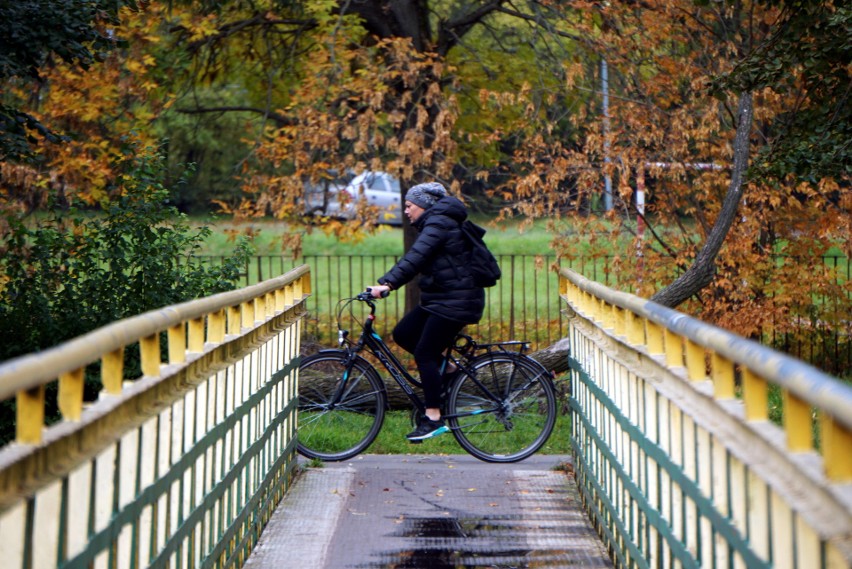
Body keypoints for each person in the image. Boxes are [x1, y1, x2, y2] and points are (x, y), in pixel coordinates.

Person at [367, 181, 485, 441]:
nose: (406, 211)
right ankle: (451, 372)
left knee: (424, 352)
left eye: (409, 206)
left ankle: (433, 416)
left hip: (456, 302)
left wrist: (386, 284)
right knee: (404, 333)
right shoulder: (436, 223)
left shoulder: (438, 224)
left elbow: (415, 258)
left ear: (423, 205)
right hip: (443, 300)